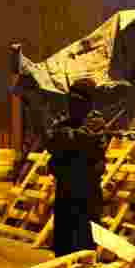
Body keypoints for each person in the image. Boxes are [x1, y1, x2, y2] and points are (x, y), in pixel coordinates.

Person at [43, 77, 109, 257]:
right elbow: (51, 142)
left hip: (86, 194)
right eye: (70, 101)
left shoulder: (96, 123)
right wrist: (68, 140)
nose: (72, 106)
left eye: (77, 102)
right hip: (65, 191)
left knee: (85, 244)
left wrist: (67, 141)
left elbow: (84, 142)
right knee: (63, 243)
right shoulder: (64, 124)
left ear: (87, 103)